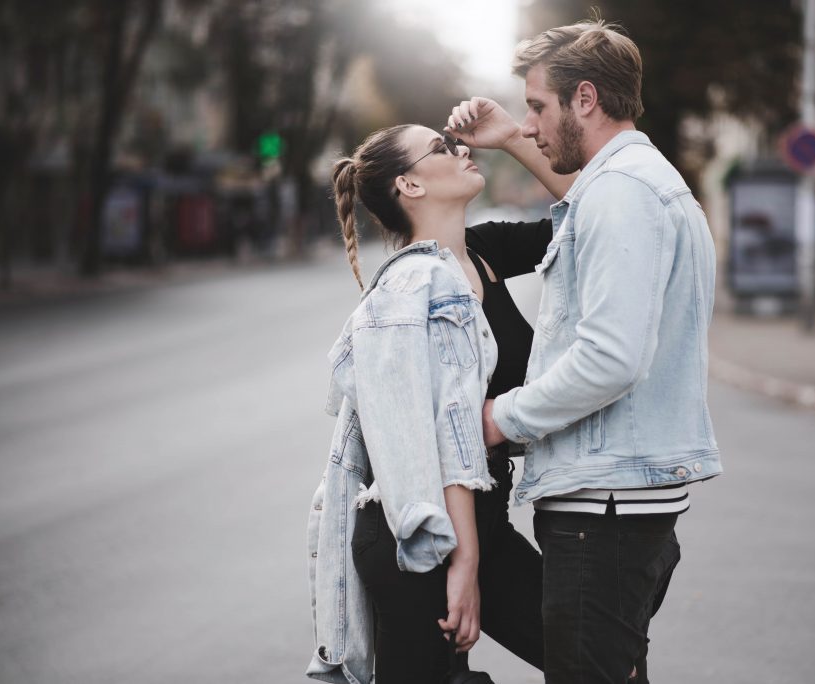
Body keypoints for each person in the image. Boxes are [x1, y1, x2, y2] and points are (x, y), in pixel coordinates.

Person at [477, 20, 724, 684]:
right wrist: (505, 140)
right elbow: (580, 207)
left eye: (537, 107)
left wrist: (502, 418)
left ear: (584, 98)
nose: (529, 125)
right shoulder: (633, 184)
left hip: (604, 512)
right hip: (617, 504)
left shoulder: (624, 193)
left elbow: (611, 358)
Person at [307, 105, 574, 684]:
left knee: (595, 656)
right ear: (410, 183)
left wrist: (511, 139)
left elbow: (593, 213)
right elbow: (442, 432)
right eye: (441, 147)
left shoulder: (482, 252)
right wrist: (464, 560)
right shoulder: (410, 290)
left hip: (480, 522)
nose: (460, 149)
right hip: (419, 534)